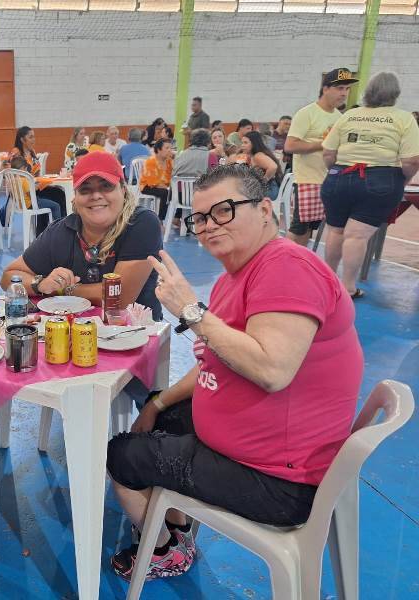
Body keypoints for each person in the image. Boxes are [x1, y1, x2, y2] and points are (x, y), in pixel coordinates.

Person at [107, 163, 363, 581]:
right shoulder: (239, 274)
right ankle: (177, 527)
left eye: (224, 210)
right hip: (262, 447)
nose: (209, 225)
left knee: (122, 456)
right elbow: (216, 360)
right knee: (160, 419)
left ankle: (166, 551)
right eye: (200, 217)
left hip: (280, 481)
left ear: (264, 209)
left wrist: (190, 310)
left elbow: (272, 369)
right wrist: (157, 403)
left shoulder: (287, 268)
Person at [0, 151, 163, 400]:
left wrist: (60, 290)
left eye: (106, 186)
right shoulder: (62, 230)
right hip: (73, 343)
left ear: (123, 190)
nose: (96, 195)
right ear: (75, 198)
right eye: (86, 189)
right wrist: (40, 283)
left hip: (134, 340)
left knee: (148, 407)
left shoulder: (141, 224)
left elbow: (119, 298)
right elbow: (9, 277)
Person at [321, 72, 419, 298]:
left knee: (336, 231)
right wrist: (402, 180)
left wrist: (336, 173)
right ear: (395, 94)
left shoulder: (349, 115)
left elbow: (328, 153)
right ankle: (348, 287)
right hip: (381, 179)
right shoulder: (404, 119)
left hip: (339, 175)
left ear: (367, 92)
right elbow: (412, 161)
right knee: (356, 236)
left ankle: (327, 283)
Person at [285, 68, 356, 246]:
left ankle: (300, 259)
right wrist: (324, 144)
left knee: (309, 229)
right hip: (307, 180)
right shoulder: (306, 113)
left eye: (347, 89)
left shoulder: (340, 118)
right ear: (325, 89)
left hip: (329, 180)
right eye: (340, 88)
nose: (344, 93)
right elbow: (290, 146)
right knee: (298, 228)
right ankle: (284, 260)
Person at [1, 126, 65, 233]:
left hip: (34, 186)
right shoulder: (16, 152)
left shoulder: (32, 152)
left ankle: (59, 228)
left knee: (59, 193)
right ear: (22, 139)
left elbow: (37, 172)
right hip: (25, 192)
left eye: (34, 137)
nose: (33, 140)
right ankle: (49, 231)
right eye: (30, 137)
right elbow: (6, 170)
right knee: (53, 197)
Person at [240, 130, 283, 201]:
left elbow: (273, 167)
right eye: (242, 142)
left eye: (245, 143)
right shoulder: (254, 156)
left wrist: (263, 182)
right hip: (269, 188)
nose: (242, 145)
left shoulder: (258, 156)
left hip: (269, 190)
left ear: (254, 144)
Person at [139, 139, 174, 217]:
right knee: (166, 193)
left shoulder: (169, 161)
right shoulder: (151, 161)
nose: (170, 150)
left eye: (171, 148)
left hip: (164, 186)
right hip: (147, 186)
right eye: (167, 148)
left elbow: (173, 176)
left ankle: (176, 217)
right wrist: (168, 188)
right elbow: (153, 182)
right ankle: (160, 219)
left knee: (180, 192)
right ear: (158, 150)